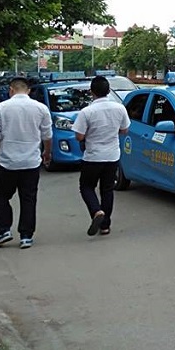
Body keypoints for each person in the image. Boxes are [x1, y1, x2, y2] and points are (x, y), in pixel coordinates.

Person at [0, 76, 52, 249]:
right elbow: (47, 136)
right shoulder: (40, 108)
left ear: (11, 90)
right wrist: (47, 153)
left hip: (6, 162)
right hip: (31, 162)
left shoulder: (1, 108)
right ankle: (26, 236)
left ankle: (3, 230)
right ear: (28, 90)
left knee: (2, 197)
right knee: (28, 198)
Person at [72, 75, 130, 237]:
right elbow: (125, 130)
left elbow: (79, 137)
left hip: (93, 157)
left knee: (86, 186)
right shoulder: (119, 108)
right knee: (107, 189)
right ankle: (105, 226)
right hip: (112, 156)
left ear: (92, 92)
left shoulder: (87, 112)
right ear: (109, 91)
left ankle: (96, 211)